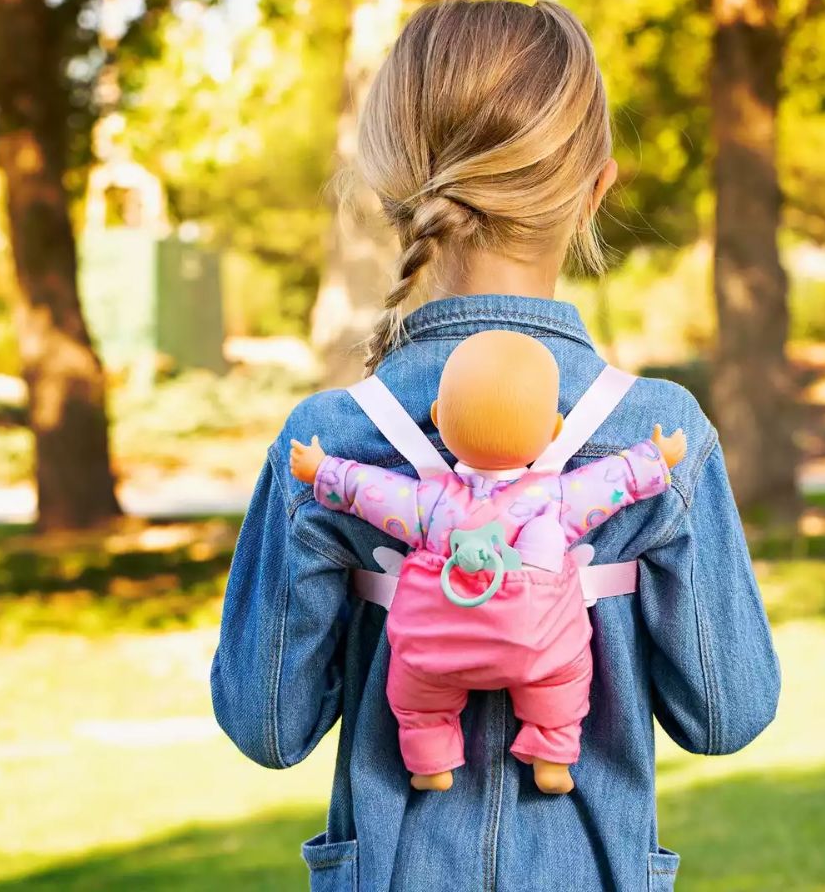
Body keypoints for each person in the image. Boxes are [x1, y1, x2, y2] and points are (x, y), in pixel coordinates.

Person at [211, 0, 780, 892]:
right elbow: (727, 713)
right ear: (596, 188)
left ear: (391, 191)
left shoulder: (328, 443)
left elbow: (267, 726)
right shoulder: (657, 436)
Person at [288, 329, 686, 796]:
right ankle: (552, 755)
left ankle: (430, 761)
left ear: (439, 417)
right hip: (537, 646)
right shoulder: (554, 499)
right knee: (563, 681)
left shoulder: (430, 503)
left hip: (437, 650)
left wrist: (323, 470)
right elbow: (610, 482)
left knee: (417, 701)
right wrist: (654, 460)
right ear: (554, 431)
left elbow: (370, 492)